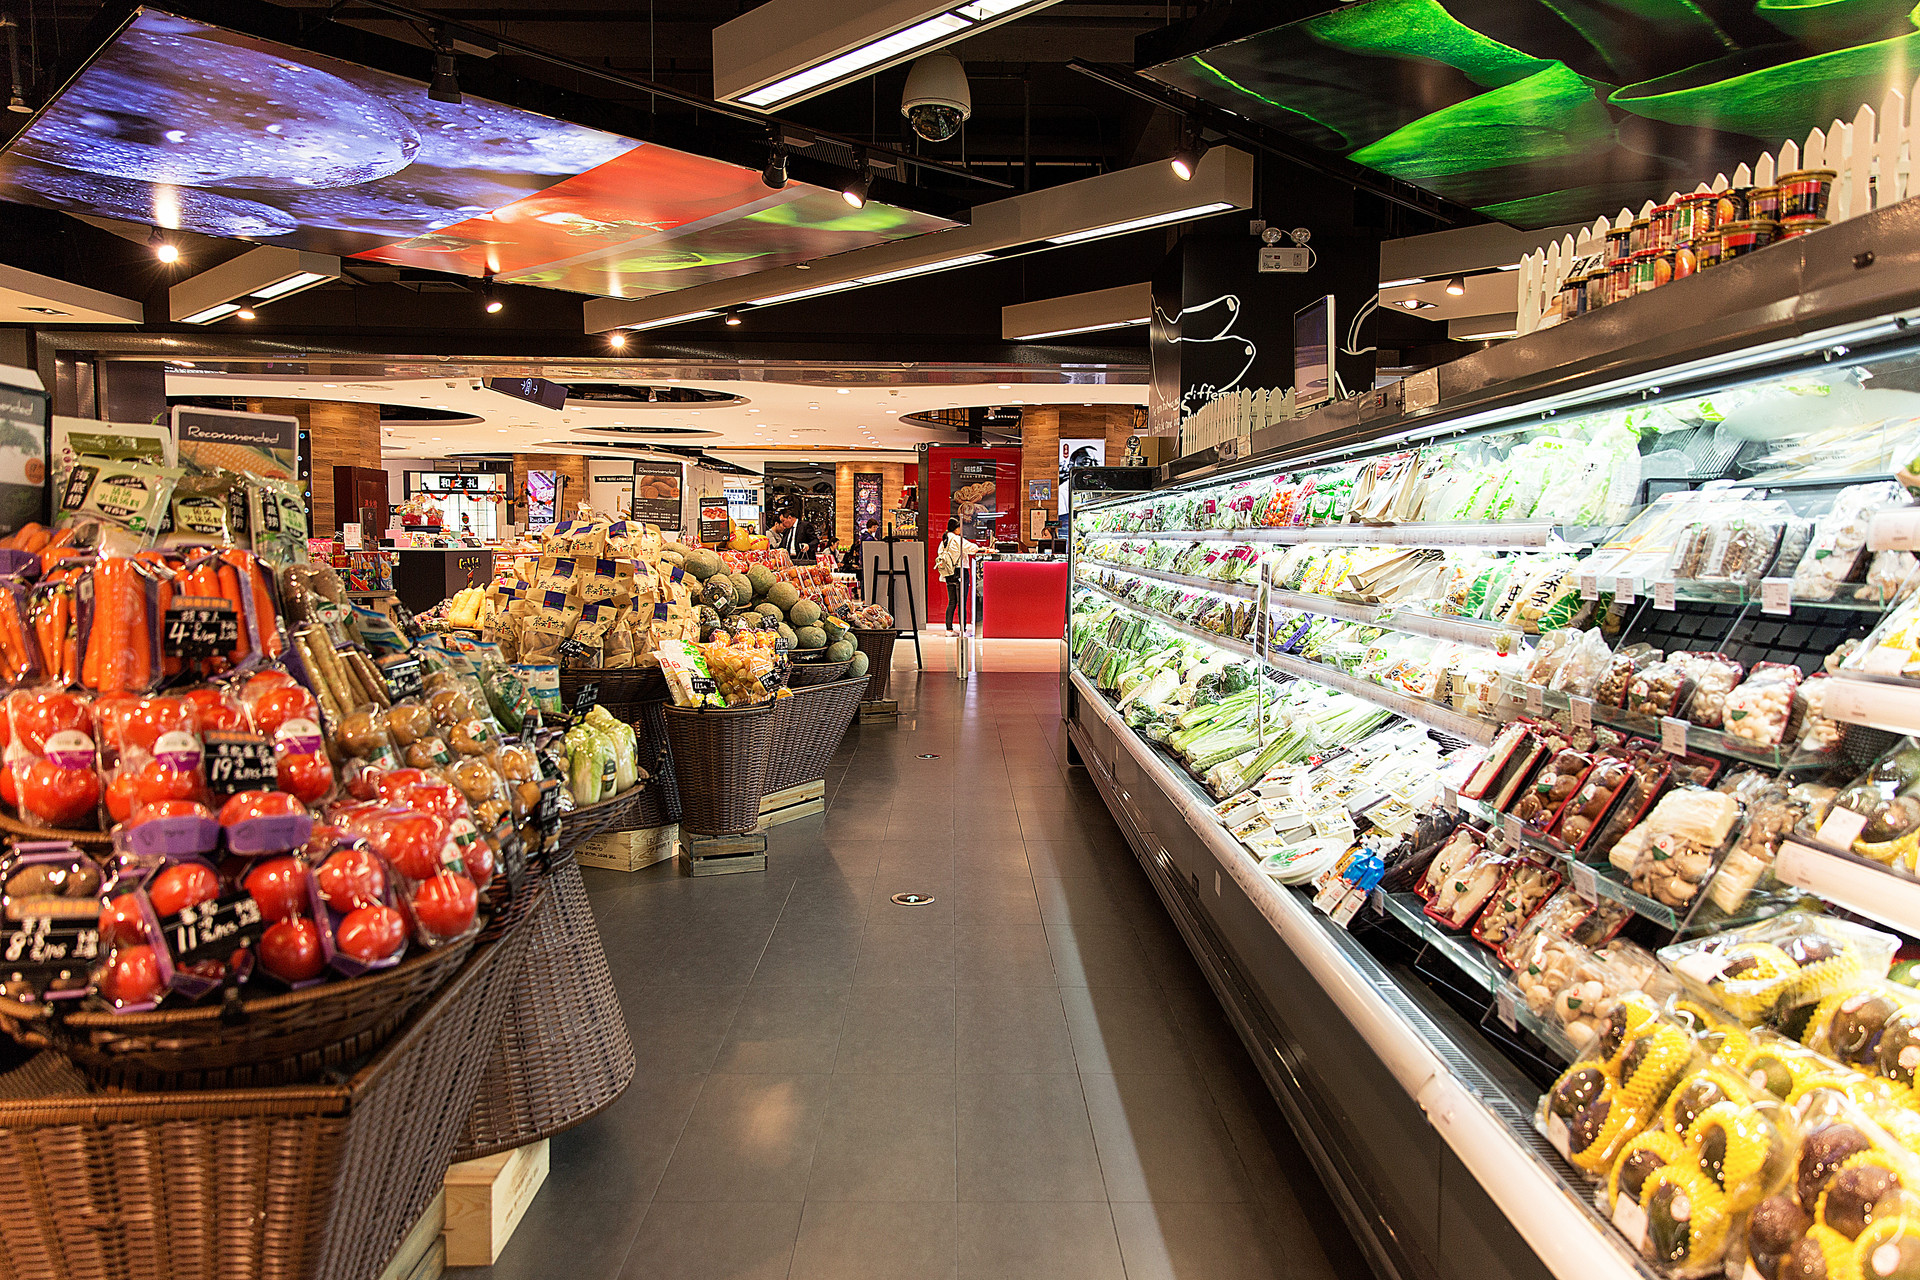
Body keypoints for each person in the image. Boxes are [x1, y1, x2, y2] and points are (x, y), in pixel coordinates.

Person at [934, 517, 985, 631]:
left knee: (951, 602)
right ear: (956, 528)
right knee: (962, 602)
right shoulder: (957, 539)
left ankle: (949, 629)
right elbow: (973, 548)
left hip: (948, 573)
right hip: (960, 571)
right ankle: (962, 629)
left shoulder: (944, 541)